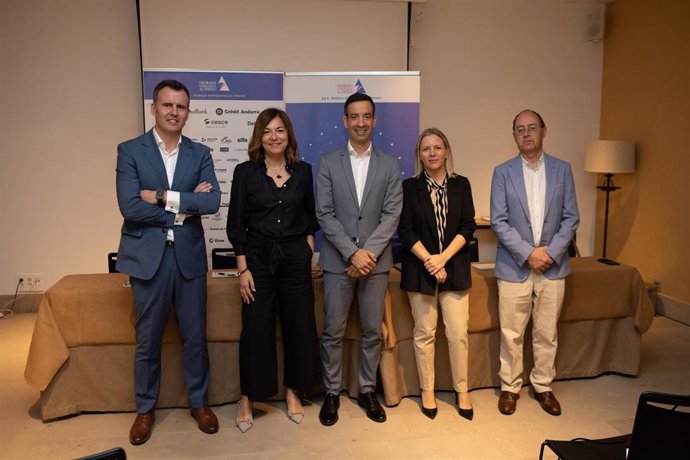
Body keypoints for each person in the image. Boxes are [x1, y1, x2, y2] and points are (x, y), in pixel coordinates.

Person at [115, 79, 221, 445]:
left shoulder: (200, 153)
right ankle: (145, 410)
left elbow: (210, 204)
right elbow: (129, 205)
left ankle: (199, 403)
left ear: (188, 112)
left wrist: (159, 196)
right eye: (167, 105)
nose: (174, 112)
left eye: (181, 107)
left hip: (189, 259)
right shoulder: (130, 150)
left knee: (195, 337)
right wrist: (181, 209)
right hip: (148, 261)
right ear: (153, 108)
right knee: (148, 340)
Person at [226, 108, 321, 433]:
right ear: (259, 137)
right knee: (256, 328)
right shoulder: (245, 173)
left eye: (280, 130)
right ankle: (248, 397)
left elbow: (311, 216)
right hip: (257, 260)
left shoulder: (304, 172)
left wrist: (307, 249)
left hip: (295, 258)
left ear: (288, 135)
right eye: (267, 131)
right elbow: (235, 224)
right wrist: (243, 269)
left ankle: (294, 391)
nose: (274, 136)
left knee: (300, 325)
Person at [315, 92, 403, 426]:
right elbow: (324, 213)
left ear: (374, 120)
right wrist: (353, 253)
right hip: (338, 262)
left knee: (371, 331)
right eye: (354, 116)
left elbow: (392, 213)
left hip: (377, 265)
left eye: (366, 116)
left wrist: (368, 254)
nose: (361, 122)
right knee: (333, 332)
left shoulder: (390, 164)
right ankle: (332, 393)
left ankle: (367, 390)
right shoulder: (328, 162)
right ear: (345, 121)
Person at [490, 109, 579, 416]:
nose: (525, 133)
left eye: (531, 128)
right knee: (511, 333)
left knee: (546, 331)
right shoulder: (502, 172)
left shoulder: (562, 170)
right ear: (514, 135)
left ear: (544, 131)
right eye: (519, 129)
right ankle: (510, 387)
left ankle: (543, 385)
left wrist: (549, 253)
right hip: (515, 265)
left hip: (553, 267)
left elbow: (571, 218)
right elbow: (499, 222)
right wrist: (529, 253)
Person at [398, 128, 476, 420]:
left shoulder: (462, 185)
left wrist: (442, 259)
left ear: (447, 151)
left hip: (454, 266)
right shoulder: (409, 187)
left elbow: (468, 227)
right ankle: (427, 390)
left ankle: (462, 390)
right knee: (424, 334)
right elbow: (405, 230)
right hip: (420, 268)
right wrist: (430, 261)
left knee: (458, 335)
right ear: (419, 154)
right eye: (426, 148)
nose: (432, 153)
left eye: (437, 147)